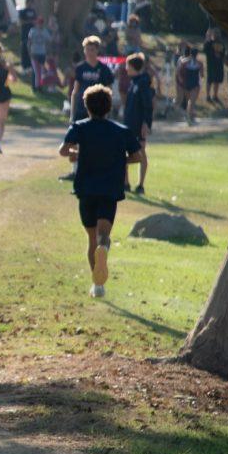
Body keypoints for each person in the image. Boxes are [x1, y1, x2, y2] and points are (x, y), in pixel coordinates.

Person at [58, 85, 142, 298]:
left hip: (86, 189)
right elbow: (137, 157)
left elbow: (64, 150)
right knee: (103, 235)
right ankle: (104, 249)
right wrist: (118, 158)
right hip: (109, 190)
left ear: (87, 107)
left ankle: (97, 286)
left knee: (91, 238)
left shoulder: (80, 127)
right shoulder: (121, 131)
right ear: (108, 108)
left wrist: (78, 152)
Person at [63, 36, 115, 180]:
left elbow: (109, 91)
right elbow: (75, 91)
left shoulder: (104, 69)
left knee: (98, 141)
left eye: (92, 49)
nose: (90, 52)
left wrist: (108, 112)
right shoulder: (80, 68)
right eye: (87, 49)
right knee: (75, 141)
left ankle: (96, 170)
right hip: (81, 109)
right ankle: (75, 170)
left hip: (98, 111)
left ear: (97, 50)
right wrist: (72, 113)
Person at [123, 53, 154, 194]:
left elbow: (148, 105)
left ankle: (141, 185)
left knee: (141, 153)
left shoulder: (142, 82)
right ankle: (125, 183)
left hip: (138, 126)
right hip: (128, 125)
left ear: (133, 66)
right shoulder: (133, 82)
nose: (125, 68)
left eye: (127, 65)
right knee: (123, 153)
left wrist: (146, 123)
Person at [177, 46, 203, 126]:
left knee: (190, 101)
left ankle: (189, 117)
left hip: (188, 83)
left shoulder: (184, 62)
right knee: (191, 101)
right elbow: (202, 74)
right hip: (191, 83)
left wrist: (181, 79)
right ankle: (189, 117)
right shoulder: (198, 63)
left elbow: (178, 71)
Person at [27, 17, 52, 92]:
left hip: (42, 53)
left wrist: (48, 52)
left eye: (41, 23)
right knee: (36, 71)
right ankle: (35, 86)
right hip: (34, 52)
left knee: (41, 71)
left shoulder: (45, 31)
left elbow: (49, 41)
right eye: (39, 23)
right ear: (37, 23)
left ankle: (39, 86)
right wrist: (29, 52)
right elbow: (29, 42)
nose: (40, 25)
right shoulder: (32, 31)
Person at [203, 28, 226, 104]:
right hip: (211, 65)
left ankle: (215, 96)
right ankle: (208, 96)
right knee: (210, 80)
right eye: (215, 33)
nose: (217, 35)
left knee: (217, 81)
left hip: (219, 65)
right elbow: (205, 50)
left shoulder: (221, 43)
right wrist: (207, 37)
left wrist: (220, 55)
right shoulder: (209, 43)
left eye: (218, 33)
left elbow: (223, 53)